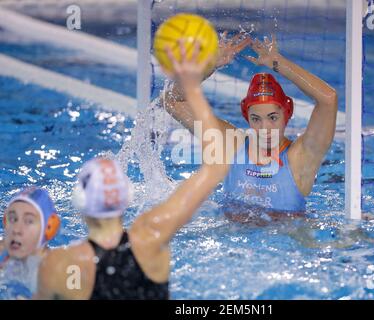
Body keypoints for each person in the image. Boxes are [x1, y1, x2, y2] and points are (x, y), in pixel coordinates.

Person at [34, 43, 229, 300]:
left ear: (79, 202)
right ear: (126, 197)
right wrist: (191, 84)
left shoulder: (58, 264)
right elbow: (217, 164)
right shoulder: (152, 236)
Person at [163, 33, 338, 224]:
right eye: (256, 119)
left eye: (273, 118)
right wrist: (210, 65)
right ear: (247, 118)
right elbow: (172, 100)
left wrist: (278, 63)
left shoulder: (301, 157)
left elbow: (328, 99)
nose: (265, 128)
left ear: (286, 114)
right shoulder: (230, 145)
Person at [0, 187, 60, 298]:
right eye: (13, 219)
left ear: (48, 228)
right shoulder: (2, 251)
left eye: (29, 221)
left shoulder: (56, 276)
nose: (16, 229)